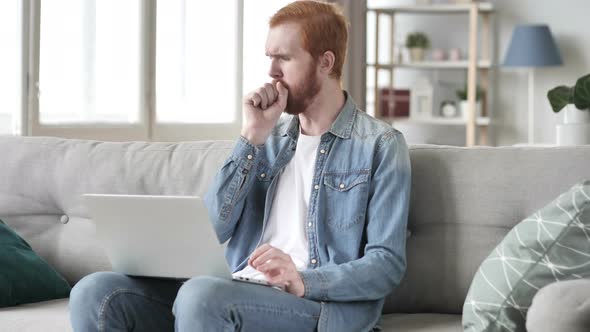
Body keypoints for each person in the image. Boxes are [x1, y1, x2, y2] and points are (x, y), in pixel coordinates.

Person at [69, 1, 411, 331]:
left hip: (317, 305)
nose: (271, 71)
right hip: (237, 290)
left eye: (284, 58)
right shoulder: (267, 137)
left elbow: (386, 265)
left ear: (325, 62)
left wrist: (303, 280)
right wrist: (252, 136)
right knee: (96, 292)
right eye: (270, 57)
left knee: (202, 296)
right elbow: (214, 227)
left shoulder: (379, 145)